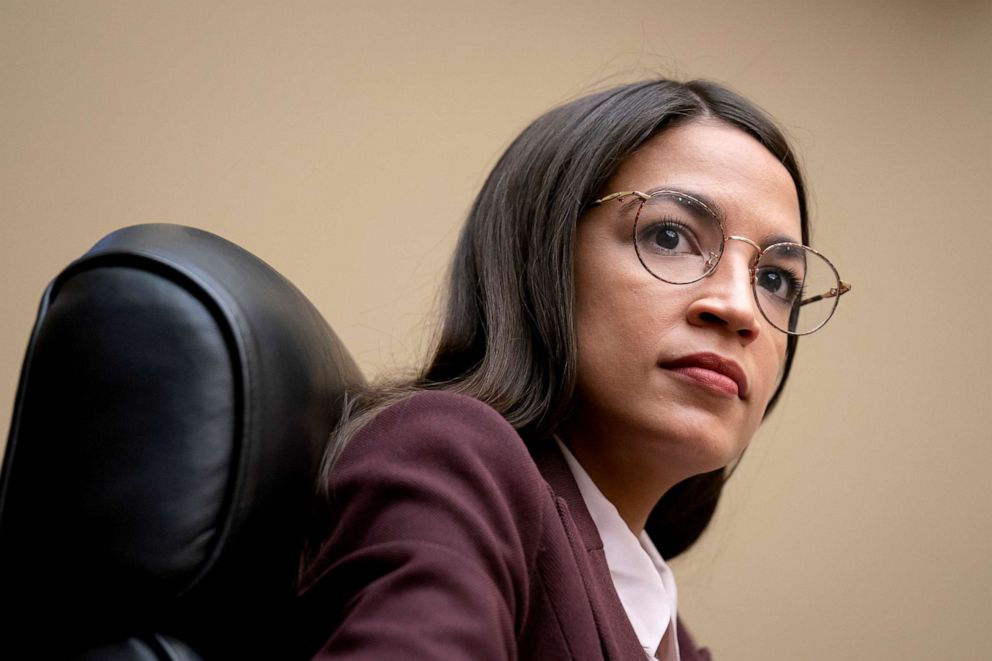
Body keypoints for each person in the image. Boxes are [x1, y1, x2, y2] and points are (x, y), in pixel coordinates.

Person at [297, 78, 850, 660]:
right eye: (669, 235)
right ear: (543, 255)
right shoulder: (450, 454)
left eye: (775, 279)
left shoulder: (669, 636)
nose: (740, 309)